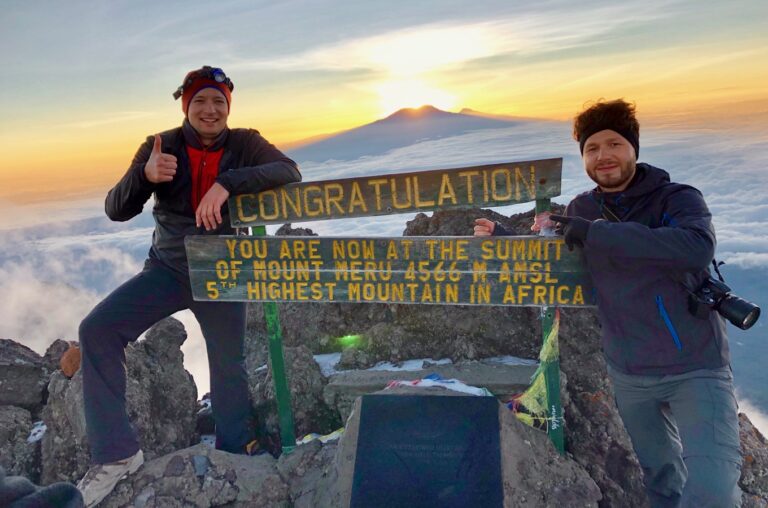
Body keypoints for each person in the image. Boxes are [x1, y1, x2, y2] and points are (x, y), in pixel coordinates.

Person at [474, 99, 742, 507]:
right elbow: (563, 251)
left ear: (633, 148)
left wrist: (594, 233)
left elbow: (695, 248)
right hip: (629, 371)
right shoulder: (583, 208)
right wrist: (505, 238)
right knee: (661, 478)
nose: (603, 156)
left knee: (712, 492)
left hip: (695, 367)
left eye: (614, 144)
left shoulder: (676, 198)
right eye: (592, 148)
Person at [76, 66, 301, 506]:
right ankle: (117, 454)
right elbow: (115, 210)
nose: (210, 110)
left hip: (221, 271)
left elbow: (288, 171)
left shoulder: (245, 143)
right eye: (200, 101)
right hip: (168, 270)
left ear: (228, 108)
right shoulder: (160, 145)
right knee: (97, 330)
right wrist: (144, 175)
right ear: (186, 106)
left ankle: (235, 450)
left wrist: (227, 183)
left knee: (228, 365)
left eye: (218, 101)